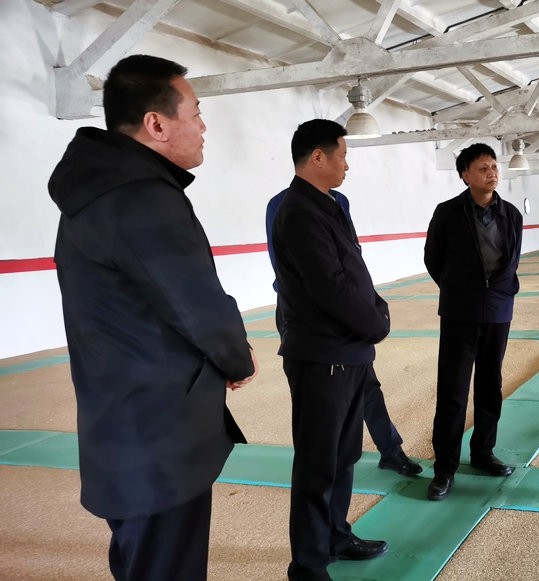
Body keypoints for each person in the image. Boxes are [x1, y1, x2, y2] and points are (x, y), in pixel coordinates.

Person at [48, 54, 258, 581]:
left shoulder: (92, 194)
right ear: (157, 124)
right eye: (196, 112)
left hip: (122, 428)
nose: (203, 126)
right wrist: (237, 359)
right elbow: (196, 302)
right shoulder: (142, 198)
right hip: (160, 440)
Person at [271, 119, 391, 580]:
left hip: (348, 353)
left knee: (343, 457)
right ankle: (307, 564)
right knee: (318, 465)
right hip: (322, 357)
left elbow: (354, 270)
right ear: (317, 157)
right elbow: (330, 287)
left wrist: (377, 308)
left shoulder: (329, 205)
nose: (346, 165)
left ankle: (336, 536)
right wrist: (375, 323)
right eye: (342, 155)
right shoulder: (297, 211)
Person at [265, 189, 421, 477]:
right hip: (304, 313)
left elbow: (352, 257)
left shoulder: (340, 201)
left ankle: (389, 450)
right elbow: (286, 265)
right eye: (341, 161)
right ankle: (322, 466)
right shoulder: (284, 204)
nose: (346, 167)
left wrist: (369, 305)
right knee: (318, 394)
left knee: (365, 382)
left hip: (345, 305)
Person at [423, 143, 523, 501]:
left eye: (494, 166)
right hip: (459, 312)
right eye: (483, 168)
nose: (491, 173)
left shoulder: (511, 214)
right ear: (465, 175)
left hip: (498, 310)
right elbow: (433, 258)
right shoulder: (447, 213)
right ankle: (444, 468)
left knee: (490, 385)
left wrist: (499, 293)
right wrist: (457, 290)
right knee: (452, 390)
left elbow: (513, 259)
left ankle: (483, 453)